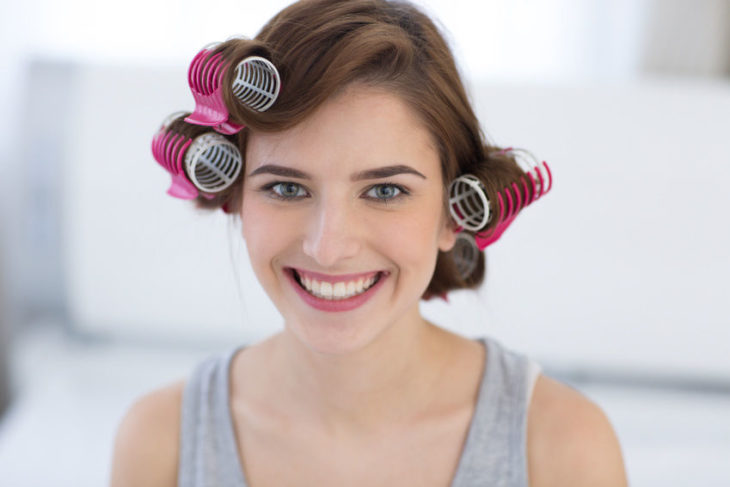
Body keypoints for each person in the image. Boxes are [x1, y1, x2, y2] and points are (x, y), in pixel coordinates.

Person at [111, 1, 628, 486]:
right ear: (237, 199)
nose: (328, 247)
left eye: (385, 191)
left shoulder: (563, 449)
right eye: (287, 188)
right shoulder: (161, 443)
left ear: (453, 211)